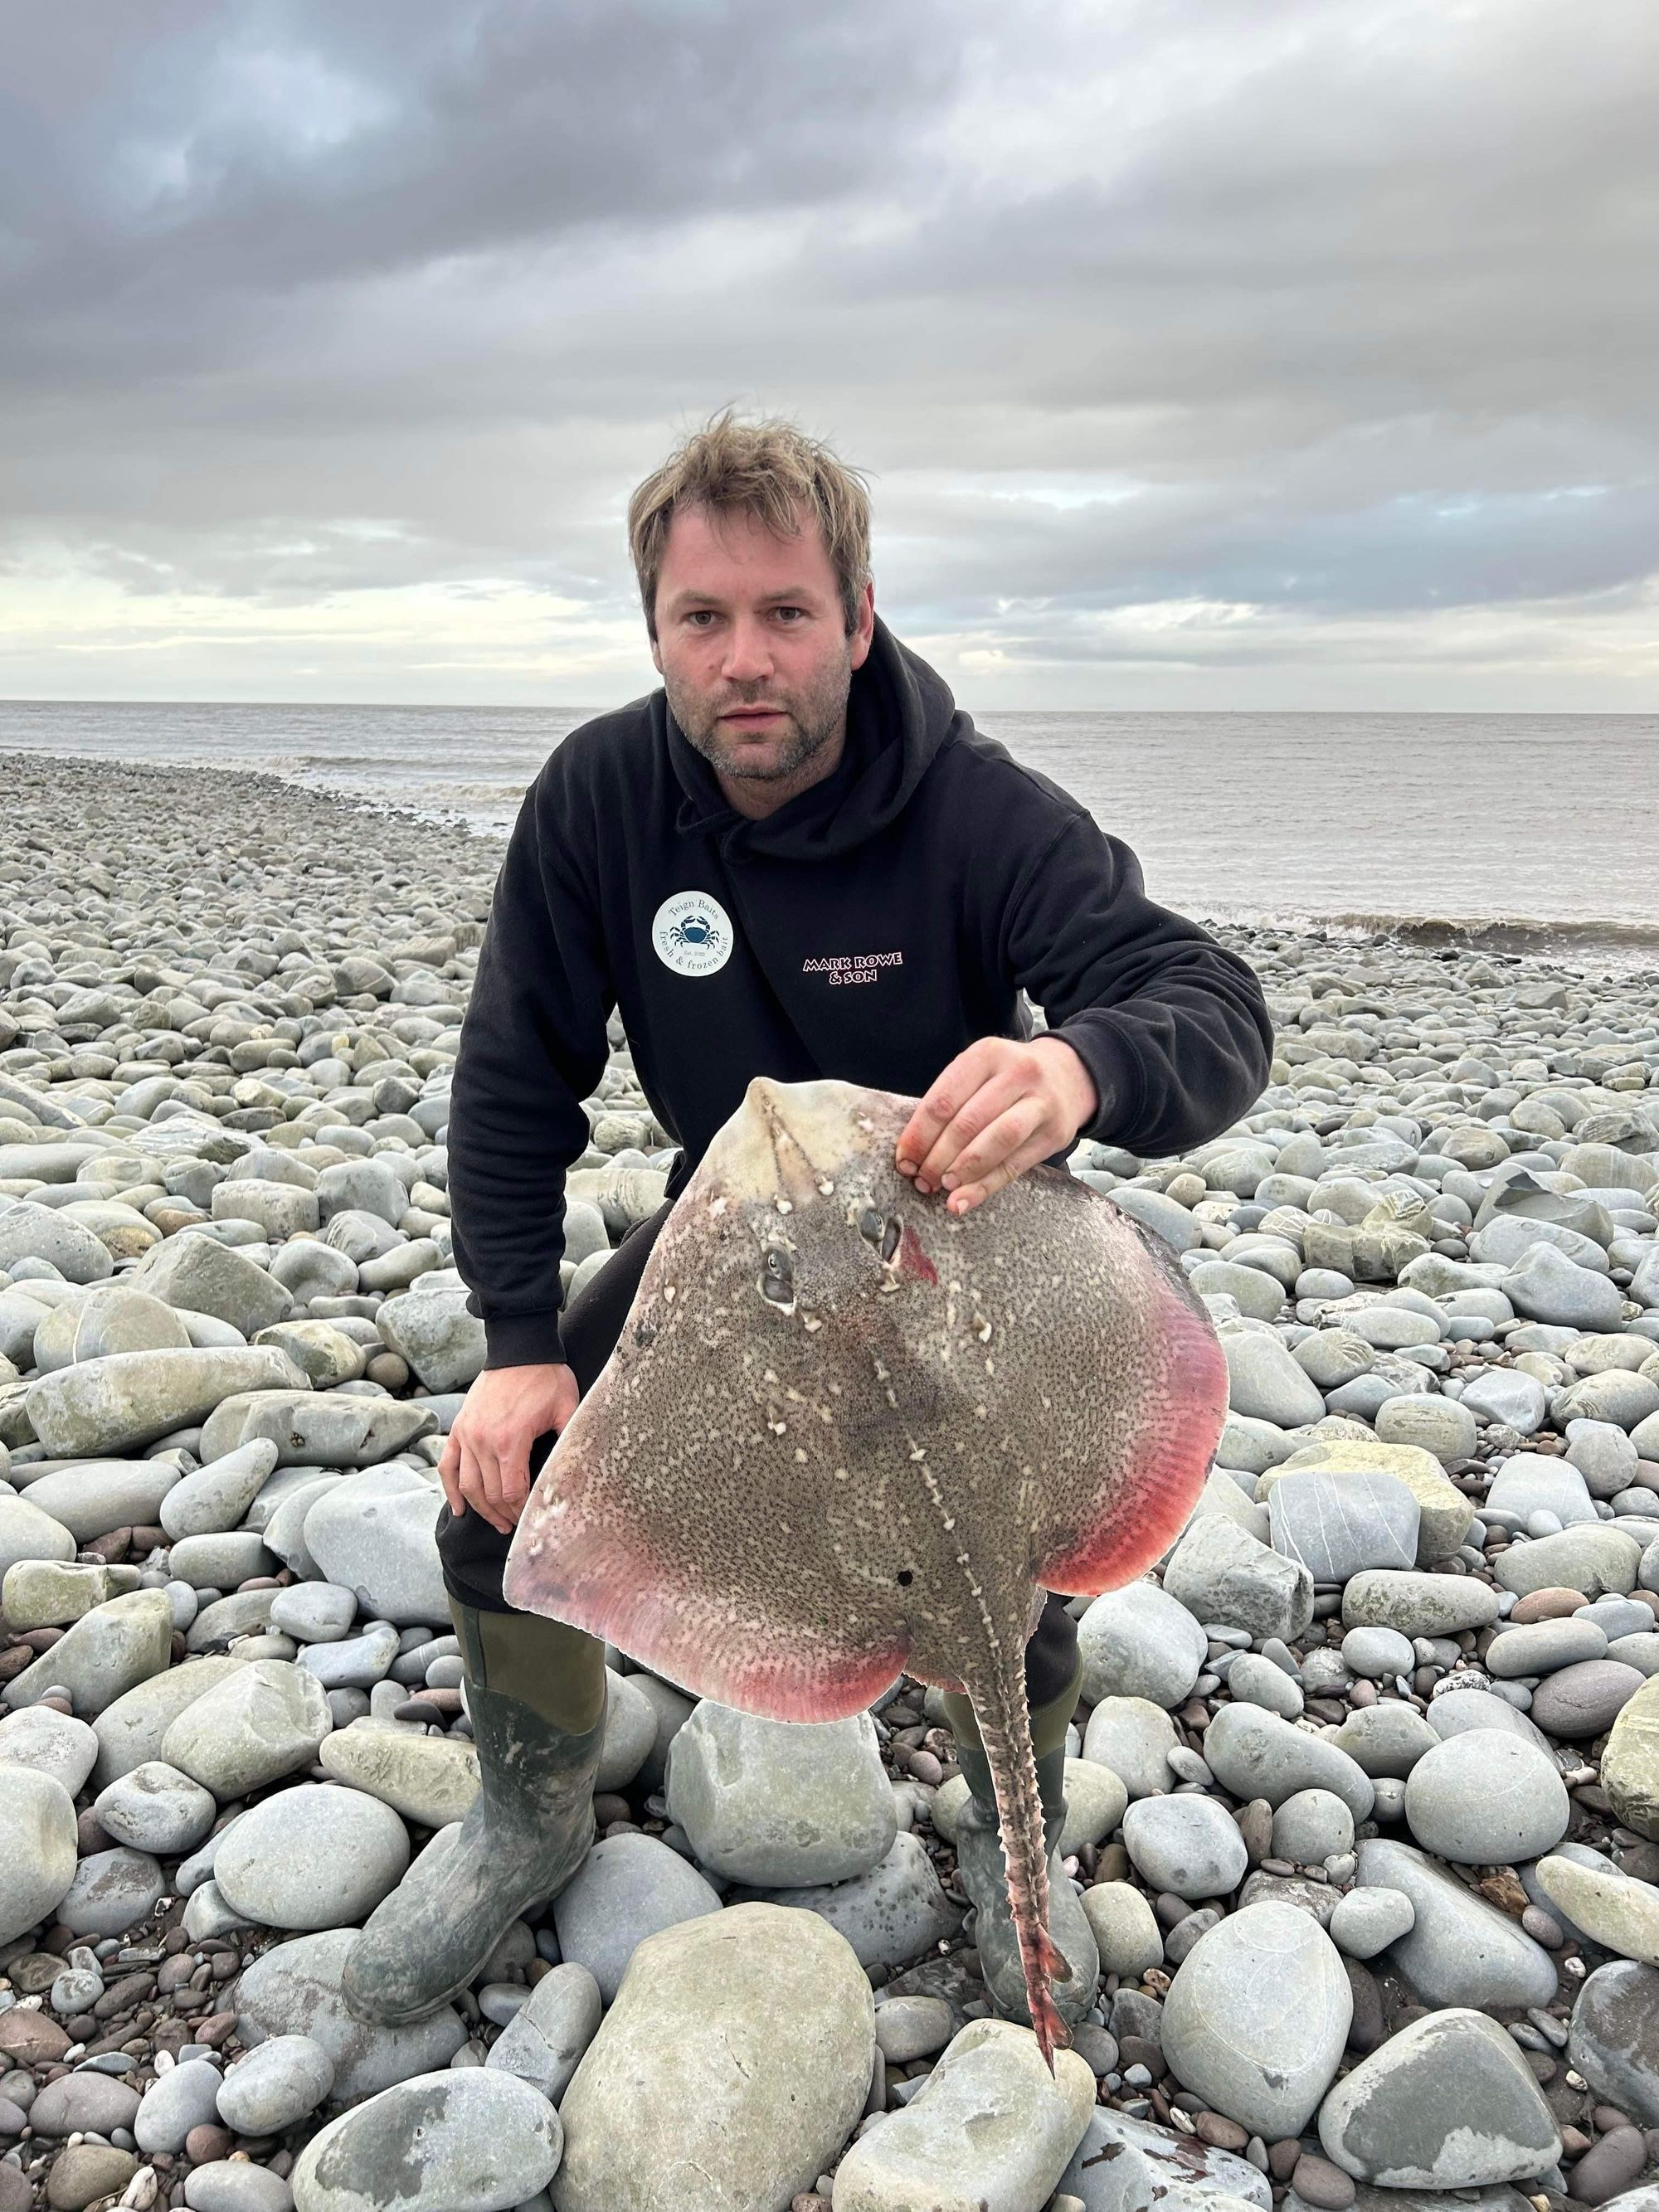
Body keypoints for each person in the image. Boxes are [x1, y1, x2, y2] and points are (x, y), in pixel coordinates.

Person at [343, 413, 1272, 2030]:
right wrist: (510, 1346)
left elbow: (1204, 998)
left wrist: (1080, 1063)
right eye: (703, 618)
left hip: (965, 1253)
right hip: (738, 1245)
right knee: (501, 1513)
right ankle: (529, 1811)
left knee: (1010, 1580)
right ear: (656, 632)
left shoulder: (979, 811)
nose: (745, 657)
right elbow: (512, 1080)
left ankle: (1019, 1836)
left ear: (855, 615)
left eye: (784, 612)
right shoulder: (600, 801)